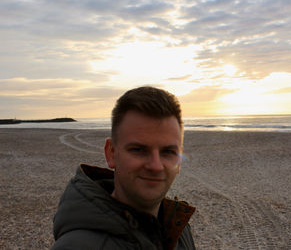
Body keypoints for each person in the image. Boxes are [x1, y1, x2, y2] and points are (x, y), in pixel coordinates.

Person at [52, 86, 196, 250]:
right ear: (111, 153)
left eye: (168, 152)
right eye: (138, 150)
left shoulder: (179, 229)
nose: (156, 166)